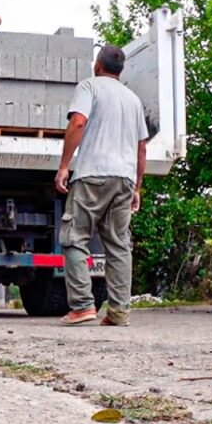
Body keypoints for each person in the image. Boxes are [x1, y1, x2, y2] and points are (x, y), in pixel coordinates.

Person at [54, 45, 148, 327]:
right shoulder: (133, 100)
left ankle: (82, 306)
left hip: (93, 174)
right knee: (119, 245)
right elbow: (141, 147)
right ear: (120, 70)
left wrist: (63, 165)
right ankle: (119, 312)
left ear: (98, 65)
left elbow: (78, 122)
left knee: (74, 237)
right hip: (124, 179)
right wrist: (137, 186)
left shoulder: (89, 87)